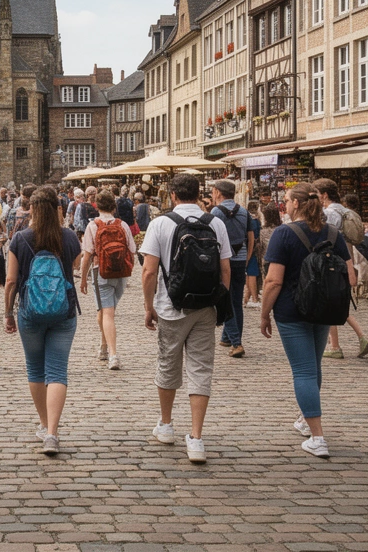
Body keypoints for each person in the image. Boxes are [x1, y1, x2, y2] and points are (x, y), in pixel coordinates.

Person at [139, 172, 231, 464]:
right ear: (199, 194)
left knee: (168, 363)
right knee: (201, 369)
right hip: (205, 308)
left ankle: (166, 425)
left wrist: (148, 305)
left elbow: (149, 271)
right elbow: (226, 270)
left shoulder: (160, 224)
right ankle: (197, 438)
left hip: (171, 306)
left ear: (173, 195)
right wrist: (216, 299)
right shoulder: (215, 223)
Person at [258, 184, 356, 459]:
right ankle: (305, 419)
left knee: (303, 371)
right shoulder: (333, 233)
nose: (284, 205)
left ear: (297, 204)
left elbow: (274, 280)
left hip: (292, 310)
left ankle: (318, 436)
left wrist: (264, 314)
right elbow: (349, 273)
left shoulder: (283, 234)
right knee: (312, 367)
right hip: (324, 308)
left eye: (287, 201)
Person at [3, 185, 80, 455]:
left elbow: (11, 280)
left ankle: (44, 424)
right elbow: (77, 266)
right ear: (57, 209)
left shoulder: (20, 238)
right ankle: (52, 433)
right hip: (64, 312)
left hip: (30, 311)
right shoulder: (69, 237)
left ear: (32, 209)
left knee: (36, 370)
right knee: (57, 371)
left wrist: (8, 313)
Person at [315, 179, 368, 360]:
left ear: (324, 195)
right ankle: (361, 338)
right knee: (338, 302)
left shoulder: (329, 213)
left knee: (328, 304)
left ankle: (335, 346)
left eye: (316, 193)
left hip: (332, 261)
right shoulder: (345, 210)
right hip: (345, 259)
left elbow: (325, 236)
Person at [78, 190, 135, 371]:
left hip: (100, 272)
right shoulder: (123, 225)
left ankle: (113, 354)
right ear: (113, 207)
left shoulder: (93, 226)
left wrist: (83, 278)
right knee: (107, 310)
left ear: (97, 206)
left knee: (106, 313)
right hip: (120, 274)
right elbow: (132, 249)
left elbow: (86, 255)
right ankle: (103, 346)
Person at [210, 180, 252, 359]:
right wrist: (247, 258)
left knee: (225, 300)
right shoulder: (244, 211)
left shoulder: (215, 212)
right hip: (240, 259)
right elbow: (251, 237)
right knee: (236, 301)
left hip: (223, 260)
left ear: (218, 192)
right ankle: (228, 337)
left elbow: (212, 238)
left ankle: (236, 343)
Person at [244, 201, 264, 308]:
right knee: (252, 273)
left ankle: (247, 298)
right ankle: (254, 298)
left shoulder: (247, 218)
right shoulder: (254, 220)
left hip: (247, 247)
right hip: (253, 248)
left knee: (249, 273)